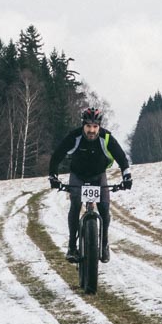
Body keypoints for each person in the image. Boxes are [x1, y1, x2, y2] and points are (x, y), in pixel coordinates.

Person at [48, 106, 132, 262]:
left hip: (98, 176)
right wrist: (53, 176)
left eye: (95, 126)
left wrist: (127, 176)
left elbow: (121, 157)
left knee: (105, 209)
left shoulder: (106, 138)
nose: (91, 130)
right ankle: (72, 246)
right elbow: (57, 155)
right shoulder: (74, 137)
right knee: (75, 205)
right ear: (83, 125)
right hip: (78, 176)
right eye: (88, 126)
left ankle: (104, 244)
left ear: (99, 126)